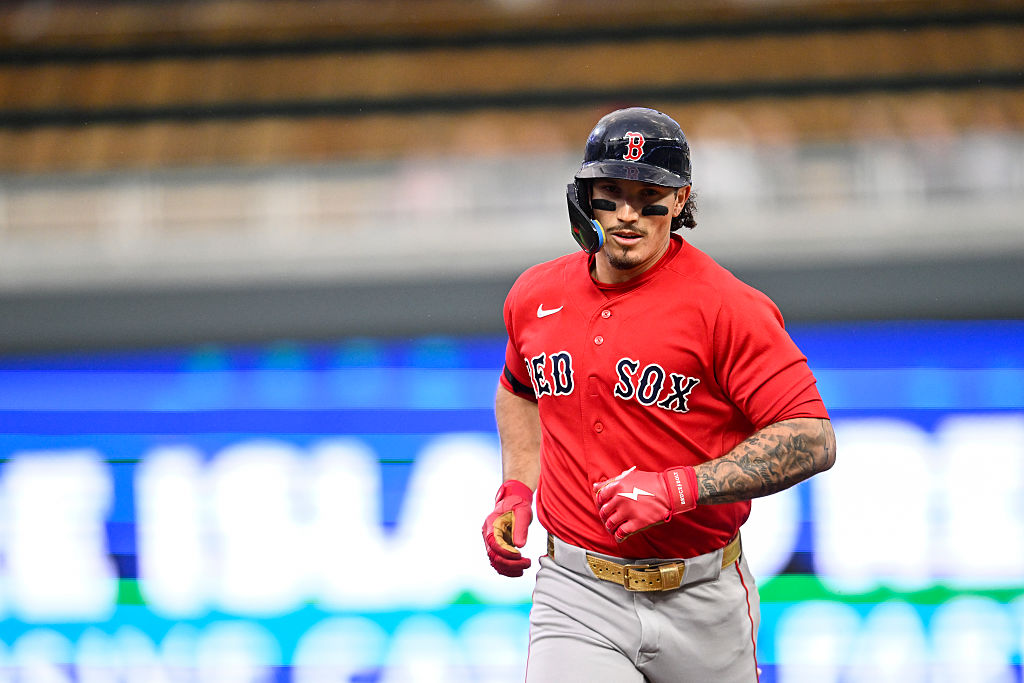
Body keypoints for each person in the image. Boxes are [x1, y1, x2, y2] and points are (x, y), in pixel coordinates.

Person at [481, 106, 836, 682]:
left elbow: (812, 438)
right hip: (578, 590)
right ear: (583, 196)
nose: (626, 214)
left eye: (649, 194)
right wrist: (518, 489)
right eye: (610, 193)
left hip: (702, 598)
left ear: (680, 200)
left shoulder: (727, 306)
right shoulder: (534, 295)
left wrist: (682, 486)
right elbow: (519, 389)